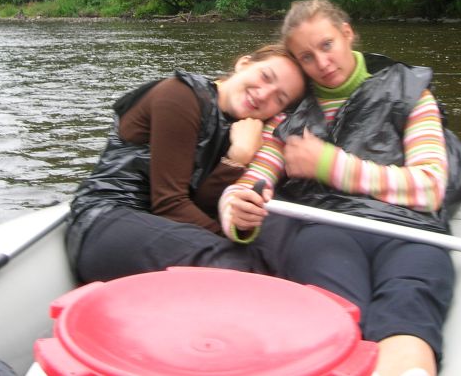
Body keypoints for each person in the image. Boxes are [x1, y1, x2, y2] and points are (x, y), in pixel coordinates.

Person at [220, 0, 455, 376]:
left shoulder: (411, 93)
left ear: (347, 34)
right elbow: (251, 183)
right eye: (307, 57)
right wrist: (237, 211)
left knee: (408, 302)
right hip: (328, 232)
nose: (323, 63)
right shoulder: (289, 118)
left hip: (410, 231)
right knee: (333, 311)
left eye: (327, 45)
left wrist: (329, 165)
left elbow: (429, 188)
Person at [66, 43, 306, 284]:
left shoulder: (246, 131)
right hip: (105, 221)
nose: (264, 95)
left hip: (167, 232)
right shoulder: (180, 95)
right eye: (265, 76)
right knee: (244, 268)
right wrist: (237, 242)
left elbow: (201, 204)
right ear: (243, 64)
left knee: (275, 257)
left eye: (279, 98)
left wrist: (235, 160)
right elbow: (169, 204)